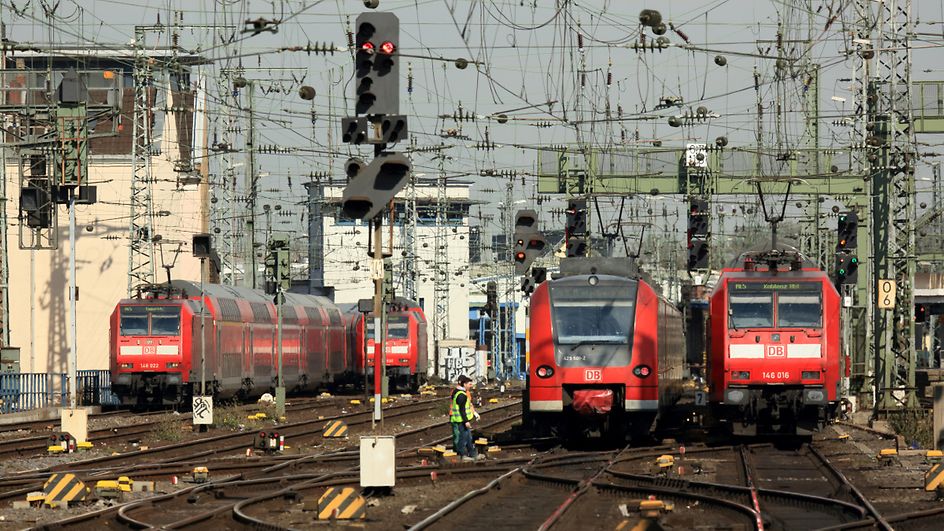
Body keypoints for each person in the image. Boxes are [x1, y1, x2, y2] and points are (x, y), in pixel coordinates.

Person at [449, 374, 481, 461]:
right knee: (463, 438)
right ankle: (463, 455)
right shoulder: (461, 395)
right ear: (464, 384)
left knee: (468, 437)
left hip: (461, 419)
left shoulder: (457, 392)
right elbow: (462, 410)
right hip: (461, 420)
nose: (470, 386)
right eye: (468, 384)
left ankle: (472, 454)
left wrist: (474, 413)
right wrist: (466, 421)